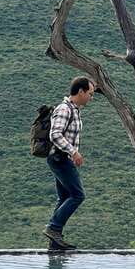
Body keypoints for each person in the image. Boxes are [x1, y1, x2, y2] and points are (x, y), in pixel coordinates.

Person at [43, 76, 95, 250]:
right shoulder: (65, 109)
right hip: (60, 158)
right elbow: (55, 134)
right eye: (90, 93)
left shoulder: (74, 109)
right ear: (80, 91)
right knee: (78, 195)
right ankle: (53, 228)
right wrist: (73, 152)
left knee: (65, 197)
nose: (91, 97)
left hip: (61, 158)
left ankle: (55, 243)